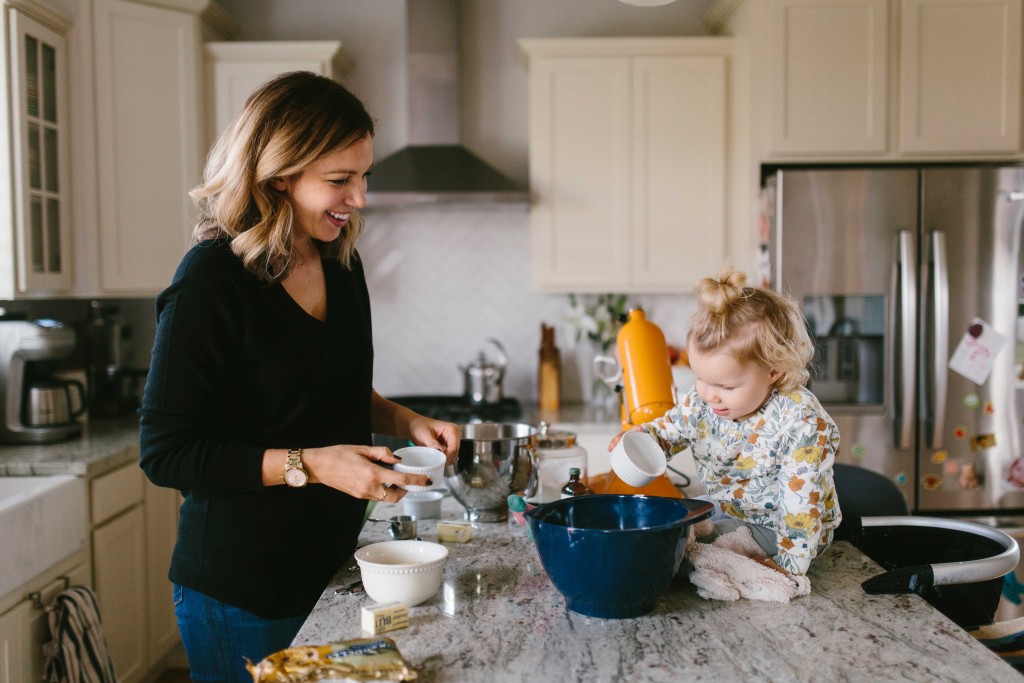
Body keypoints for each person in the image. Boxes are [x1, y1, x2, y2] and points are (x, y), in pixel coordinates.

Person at [138, 71, 462, 683]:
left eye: (364, 176)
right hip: (244, 590)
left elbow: (328, 390)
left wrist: (405, 420)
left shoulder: (341, 262)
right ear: (277, 174)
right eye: (339, 180)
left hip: (337, 568)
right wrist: (310, 464)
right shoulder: (212, 281)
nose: (359, 198)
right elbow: (166, 453)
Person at [610, 267, 841, 576]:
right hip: (732, 508)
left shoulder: (802, 423)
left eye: (727, 387)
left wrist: (789, 569)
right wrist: (643, 441)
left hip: (780, 528)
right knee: (667, 523)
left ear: (773, 370)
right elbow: (669, 432)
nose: (710, 395)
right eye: (701, 378)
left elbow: (800, 512)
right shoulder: (703, 400)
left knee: (679, 555)